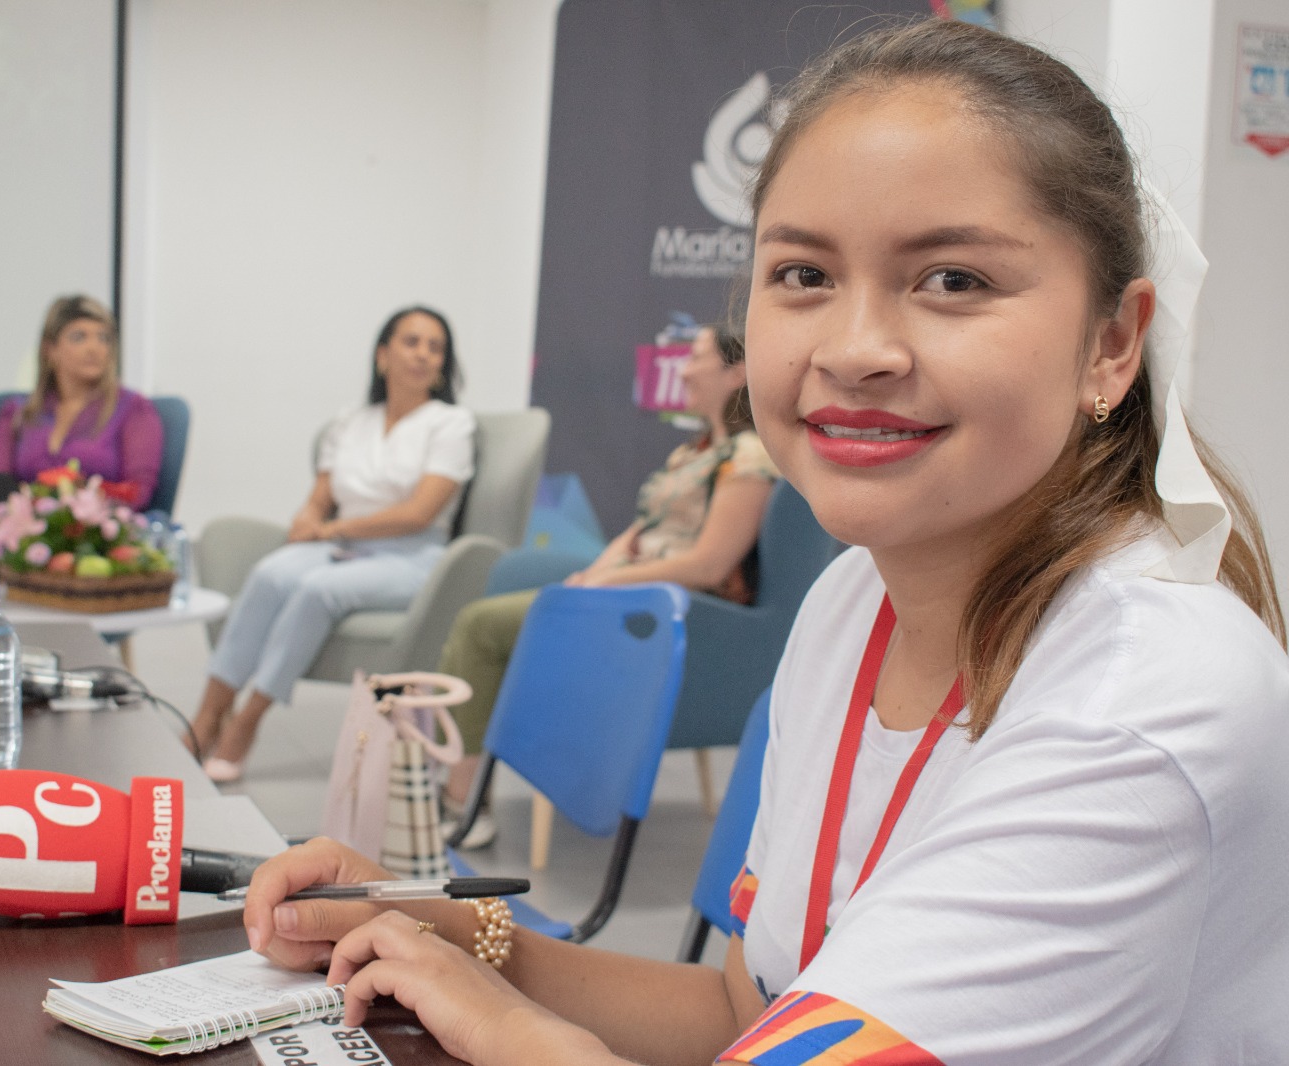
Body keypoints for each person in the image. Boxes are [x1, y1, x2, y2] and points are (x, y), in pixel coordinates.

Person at [237, 19, 1289, 1066]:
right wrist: (445, 930)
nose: (854, 348)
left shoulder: (1145, 703)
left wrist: (507, 1029)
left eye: (952, 280)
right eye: (803, 276)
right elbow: (755, 1009)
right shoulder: (846, 609)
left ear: (1111, 342)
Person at [437, 325, 779, 848]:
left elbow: (709, 565)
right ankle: (460, 786)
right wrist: (594, 574)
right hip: (625, 594)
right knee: (489, 625)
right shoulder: (694, 452)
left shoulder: (750, 456)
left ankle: (461, 801)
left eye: (696, 358)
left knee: (480, 627)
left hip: (668, 612)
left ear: (736, 372)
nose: (683, 369)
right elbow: (643, 529)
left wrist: (607, 582)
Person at [194, 307, 475, 783]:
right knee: (269, 573)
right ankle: (206, 717)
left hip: (414, 555)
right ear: (383, 355)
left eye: (435, 346)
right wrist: (307, 519)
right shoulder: (350, 422)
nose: (423, 354)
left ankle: (248, 721)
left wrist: (330, 531)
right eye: (411, 342)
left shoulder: (451, 424)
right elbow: (322, 496)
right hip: (343, 541)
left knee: (319, 589)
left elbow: (418, 513)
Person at [0, 295, 163, 584]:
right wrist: (39, 502)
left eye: (104, 339)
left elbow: (140, 492)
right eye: (79, 337)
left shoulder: (133, 409)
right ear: (50, 349)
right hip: (23, 530)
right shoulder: (17, 412)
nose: (95, 349)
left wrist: (72, 497)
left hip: (87, 531)